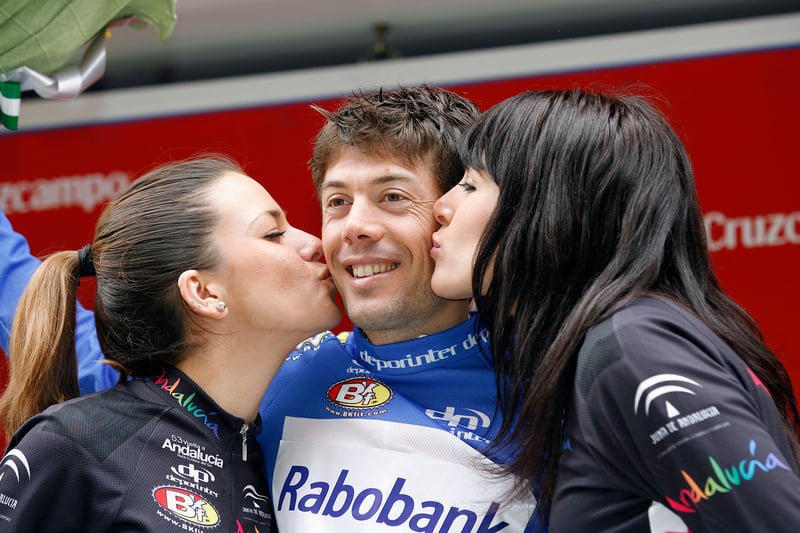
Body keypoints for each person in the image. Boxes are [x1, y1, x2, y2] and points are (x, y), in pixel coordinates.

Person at [0, 86, 540, 532]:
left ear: (452, 214)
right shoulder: (258, 377)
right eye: (337, 202)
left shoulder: (547, 390)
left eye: (393, 197)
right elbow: (42, 312)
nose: (352, 227)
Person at [430, 88, 800, 532]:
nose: (441, 206)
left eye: (470, 185)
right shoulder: (606, 349)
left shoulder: (632, 349)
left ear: (554, 210)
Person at [0, 155, 341, 530]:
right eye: (273, 234)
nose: (315, 243)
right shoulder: (76, 443)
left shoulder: (273, 457)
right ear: (203, 292)